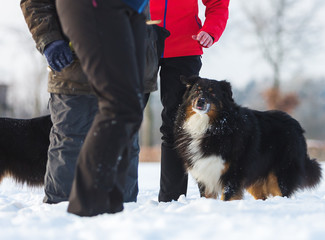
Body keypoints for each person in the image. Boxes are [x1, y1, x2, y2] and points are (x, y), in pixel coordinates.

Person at [20, 0, 155, 205]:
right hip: (74, 66)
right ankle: (61, 212)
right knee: (70, 139)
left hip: (128, 64)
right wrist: (49, 39)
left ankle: (123, 213)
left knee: (124, 137)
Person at [55, 0, 149, 216]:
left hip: (135, 8)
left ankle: (108, 210)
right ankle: (88, 209)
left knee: (131, 110)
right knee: (120, 105)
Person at [149, 0, 230, 202]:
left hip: (184, 48)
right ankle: (122, 197)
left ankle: (172, 199)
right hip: (139, 44)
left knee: (176, 126)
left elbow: (218, 3)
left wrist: (211, 30)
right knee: (125, 121)